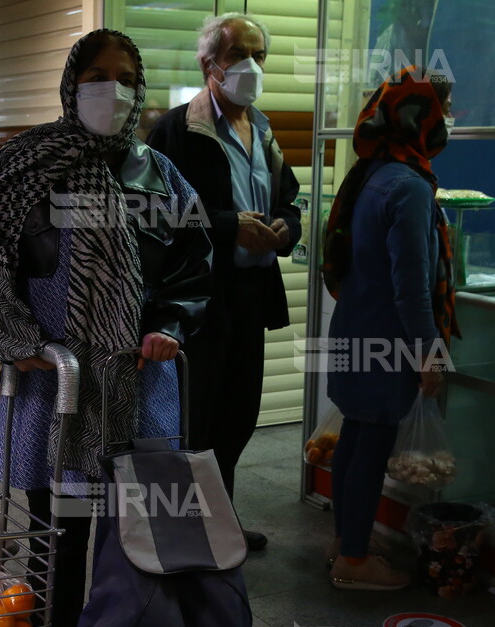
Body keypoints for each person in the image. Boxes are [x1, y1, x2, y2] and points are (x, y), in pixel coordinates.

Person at [0, 29, 212, 627]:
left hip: (139, 376)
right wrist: (18, 338)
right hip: (58, 382)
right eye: (97, 74)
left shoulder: (160, 176)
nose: (112, 87)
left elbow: (192, 269)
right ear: (71, 84)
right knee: (57, 528)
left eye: (125, 75)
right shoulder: (26, 165)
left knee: (143, 521)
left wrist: (170, 326)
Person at [146, 12, 301, 552]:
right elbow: (160, 214)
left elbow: (289, 196)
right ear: (209, 63)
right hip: (200, 299)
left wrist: (287, 224)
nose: (250, 65)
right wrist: (232, 224)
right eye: (238, 54)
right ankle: (188, 532)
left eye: (259, 54)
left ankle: (222, 518)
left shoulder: (262, 128)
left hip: (251, 295)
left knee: (239, 414)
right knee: (197, 420)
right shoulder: (177, 129)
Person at [320, 67, 456, 590]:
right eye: (445, 112)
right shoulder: (410, 186)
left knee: (356, 439)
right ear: (423, 119)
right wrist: (428, 351)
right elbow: (412, 286)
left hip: (356, 328)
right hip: (388, 339)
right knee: (369, 450)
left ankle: (344, 543)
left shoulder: (374, 173)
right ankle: (355, 562)